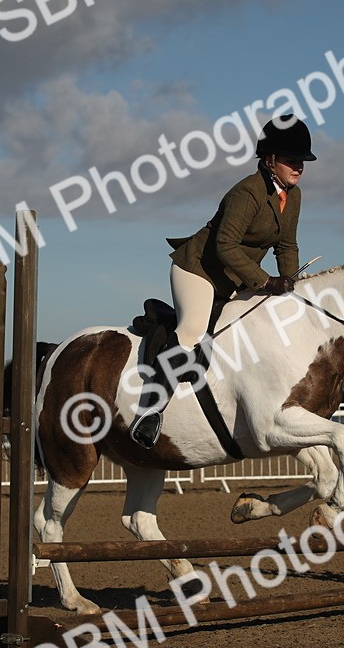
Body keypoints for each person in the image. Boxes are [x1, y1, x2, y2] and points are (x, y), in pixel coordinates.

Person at [130, 114, 317, 448]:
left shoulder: (294, 195)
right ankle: (150, 412)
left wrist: (290, 284)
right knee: (192, 331)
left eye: (301, 161)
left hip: (237, 278)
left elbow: (286, 245)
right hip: (198, 270)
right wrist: (265, 280)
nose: (298, 166)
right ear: (270, 160)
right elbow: (224, 245)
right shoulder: (246, 193)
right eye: (291, 160)